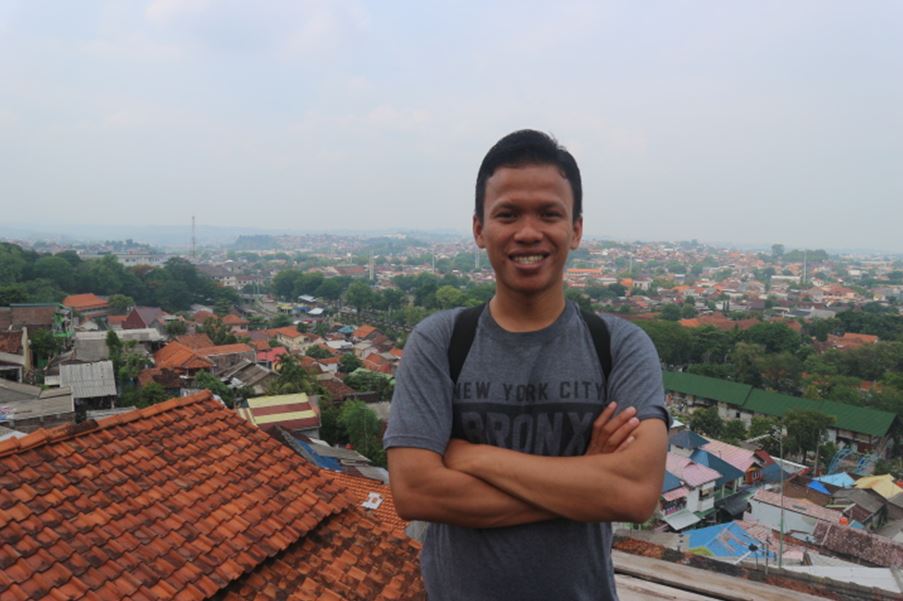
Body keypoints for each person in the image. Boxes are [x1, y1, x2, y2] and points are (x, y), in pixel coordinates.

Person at [384, 129, 669, 601]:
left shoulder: (619, 346)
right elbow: (416, 492)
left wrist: (475, 457)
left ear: (575, 229)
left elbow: (636, 494)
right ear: (480, 229)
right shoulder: (440, 341)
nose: (529, 232)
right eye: (508, 214)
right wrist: (586, 478)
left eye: (549, 214)